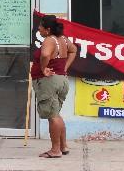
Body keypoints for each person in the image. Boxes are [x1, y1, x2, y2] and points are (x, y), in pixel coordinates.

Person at [30, 15, 77, 158]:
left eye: (40, 27)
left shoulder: (49, 40)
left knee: (53, 116)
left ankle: (55, 150)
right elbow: (73, 49)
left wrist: (44, 68)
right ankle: (63, 146)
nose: (38, 29)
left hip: (49, 82)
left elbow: (44, 55)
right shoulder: (62, 39)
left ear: (48, 29)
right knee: (56, 114)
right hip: (61, 80)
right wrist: (65, 68)